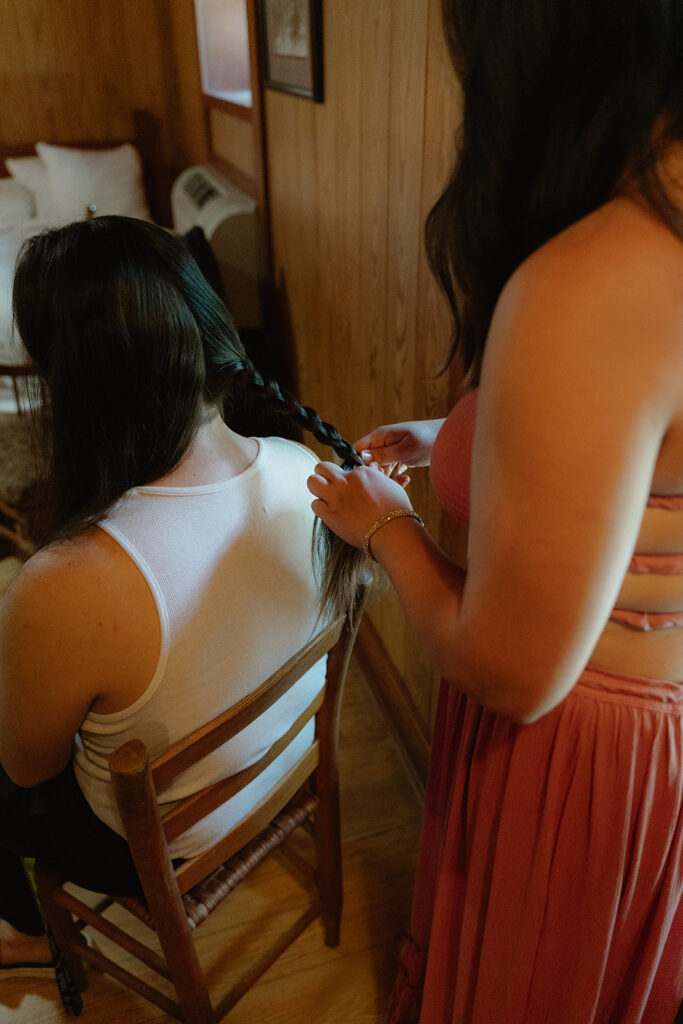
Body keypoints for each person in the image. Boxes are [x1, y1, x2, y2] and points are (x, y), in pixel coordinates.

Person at [307, 0, 683, 1021]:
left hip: (572, 748)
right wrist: (463, 432)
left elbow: (515, 674)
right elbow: (635, 460)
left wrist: (385, 525)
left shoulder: (596, 280)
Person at [0, 215, 363, 976]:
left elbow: (27, 767)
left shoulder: (69, 581)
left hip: (154, 843)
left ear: (71, 383)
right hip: (283, 769)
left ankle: (25, 933)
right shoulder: (305, 470)